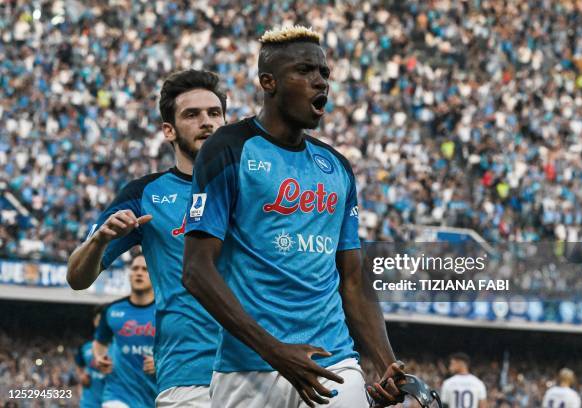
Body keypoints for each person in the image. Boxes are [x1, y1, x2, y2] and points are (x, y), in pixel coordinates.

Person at [182, 26, 404, 408]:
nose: (320, 82)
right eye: (305, 71)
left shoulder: (337, 167)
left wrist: (386, 364)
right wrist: (277, 352)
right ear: (269, 82)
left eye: (324, 73)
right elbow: (196, 271)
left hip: (334, 364)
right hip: (249, 369)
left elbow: (353, 279)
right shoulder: (228, 149)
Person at [67, 69, 227, 407]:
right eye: (192, 114)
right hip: (189, 375)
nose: (207, 122)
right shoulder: (143, 194)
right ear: (168, 130)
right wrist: (99, 241)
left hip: (262, 365)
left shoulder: (254, 187)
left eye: (214, 113)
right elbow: (77, 278)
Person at [93, 254, 156, 407]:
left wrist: (160, 362)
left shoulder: (165, 311)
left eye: (144, 269)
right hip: (118, 394)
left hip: (155, 395)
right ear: (129, 274)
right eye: (135, 268)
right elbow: (100, 342)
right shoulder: (112, 310)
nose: (139, 273)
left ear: (154, 274)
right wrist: (100, 358)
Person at [75, 305, 107, 408]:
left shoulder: (120, 347)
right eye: (100, 320)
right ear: (95, 322)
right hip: (89, 403)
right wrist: (81, 376)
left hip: (114, 402)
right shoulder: (85, 346)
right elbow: (79, 366)